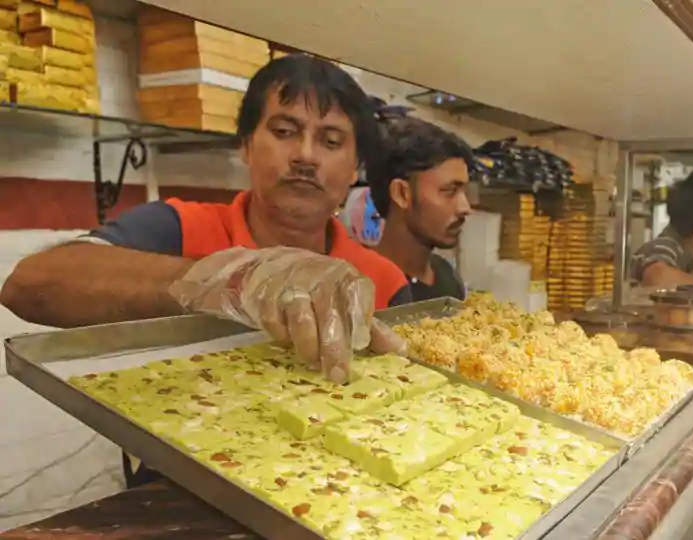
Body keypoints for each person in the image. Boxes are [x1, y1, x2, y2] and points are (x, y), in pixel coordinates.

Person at [0, 55, 410, 487]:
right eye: (284, 132)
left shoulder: (384, 282)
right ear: (246, 145)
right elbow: (29, 284)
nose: (305, 156)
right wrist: (234, 279)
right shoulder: (178, 228)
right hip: (180, 493)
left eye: (330, 141)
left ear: (354, 169)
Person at [369, 117, 473, 301]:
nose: (465, 208)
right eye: (449, 191)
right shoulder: (362, 288)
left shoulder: (447, 279)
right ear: (401, 194)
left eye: (463, 191)